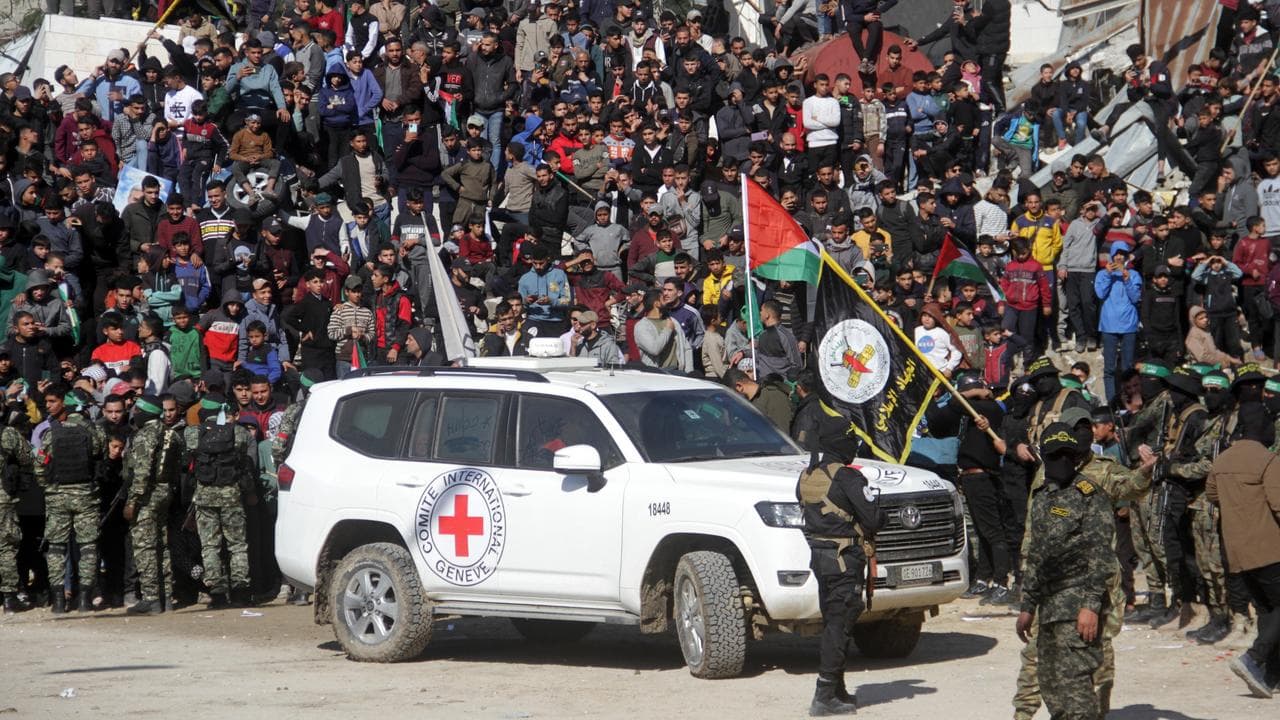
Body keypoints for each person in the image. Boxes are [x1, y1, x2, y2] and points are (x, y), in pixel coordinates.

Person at [1016, 422, 1117, 720]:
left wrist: (1090, 605)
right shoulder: (1043, 498)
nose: (1061, 462)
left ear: (1075, 458)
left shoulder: (1089, 495)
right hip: (1049, 607)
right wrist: (1027, 606)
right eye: (1053, 455)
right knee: (1051, 685)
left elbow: (1101, 555)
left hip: (1077, 605)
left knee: (1075, 687)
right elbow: (1036, 557)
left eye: (1067, 455)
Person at [797, 414, 886, 716]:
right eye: (851, 442)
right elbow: (873, 519)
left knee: (835, 621)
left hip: (821, 557)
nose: (854, 448)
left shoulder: (808, 475)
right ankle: (824, 695)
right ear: (840, 443)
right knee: (840, 623)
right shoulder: (847, 477)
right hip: (844, 560)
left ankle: (837, 687)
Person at [1207, 401, 1280, 699]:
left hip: (1237, 552)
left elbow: (1212, 495)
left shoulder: (1221, 460)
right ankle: (1255, 657)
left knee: (1267, 610)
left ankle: (1269, 676)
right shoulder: (1268, 460)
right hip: (1270, 548)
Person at [35, 386, 107, 614]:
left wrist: (49, 488)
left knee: (56, 548)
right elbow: (101, 458)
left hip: (58, 497)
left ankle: (58, 601)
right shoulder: (95, 432)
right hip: (86, 495)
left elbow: (39, 465)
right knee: (87, 548)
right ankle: (85, 599)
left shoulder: (51, 434)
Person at [189, 396, 258, 608]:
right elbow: (248, 463)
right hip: (232, 496)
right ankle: (241, 592)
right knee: (237, 545)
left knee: (210, 546)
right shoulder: (239, 433)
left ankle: (217, 593)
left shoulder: (193, 433)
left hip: (205, 496)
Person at [121, 395, 184, 615]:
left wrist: (133, 502)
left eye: (137, 410)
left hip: (147, 497)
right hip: (165, 493)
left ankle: (151, 599)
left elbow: (142, 472)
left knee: (145, 547)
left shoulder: (145, 435)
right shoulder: (172, 434)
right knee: (162, 545)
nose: (134, 413)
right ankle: (165, 597)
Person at [0, 417, 33, 614]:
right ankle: (9, 598)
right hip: (3, 497)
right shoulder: (8, 434)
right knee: (6, 547)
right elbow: (28, 458)